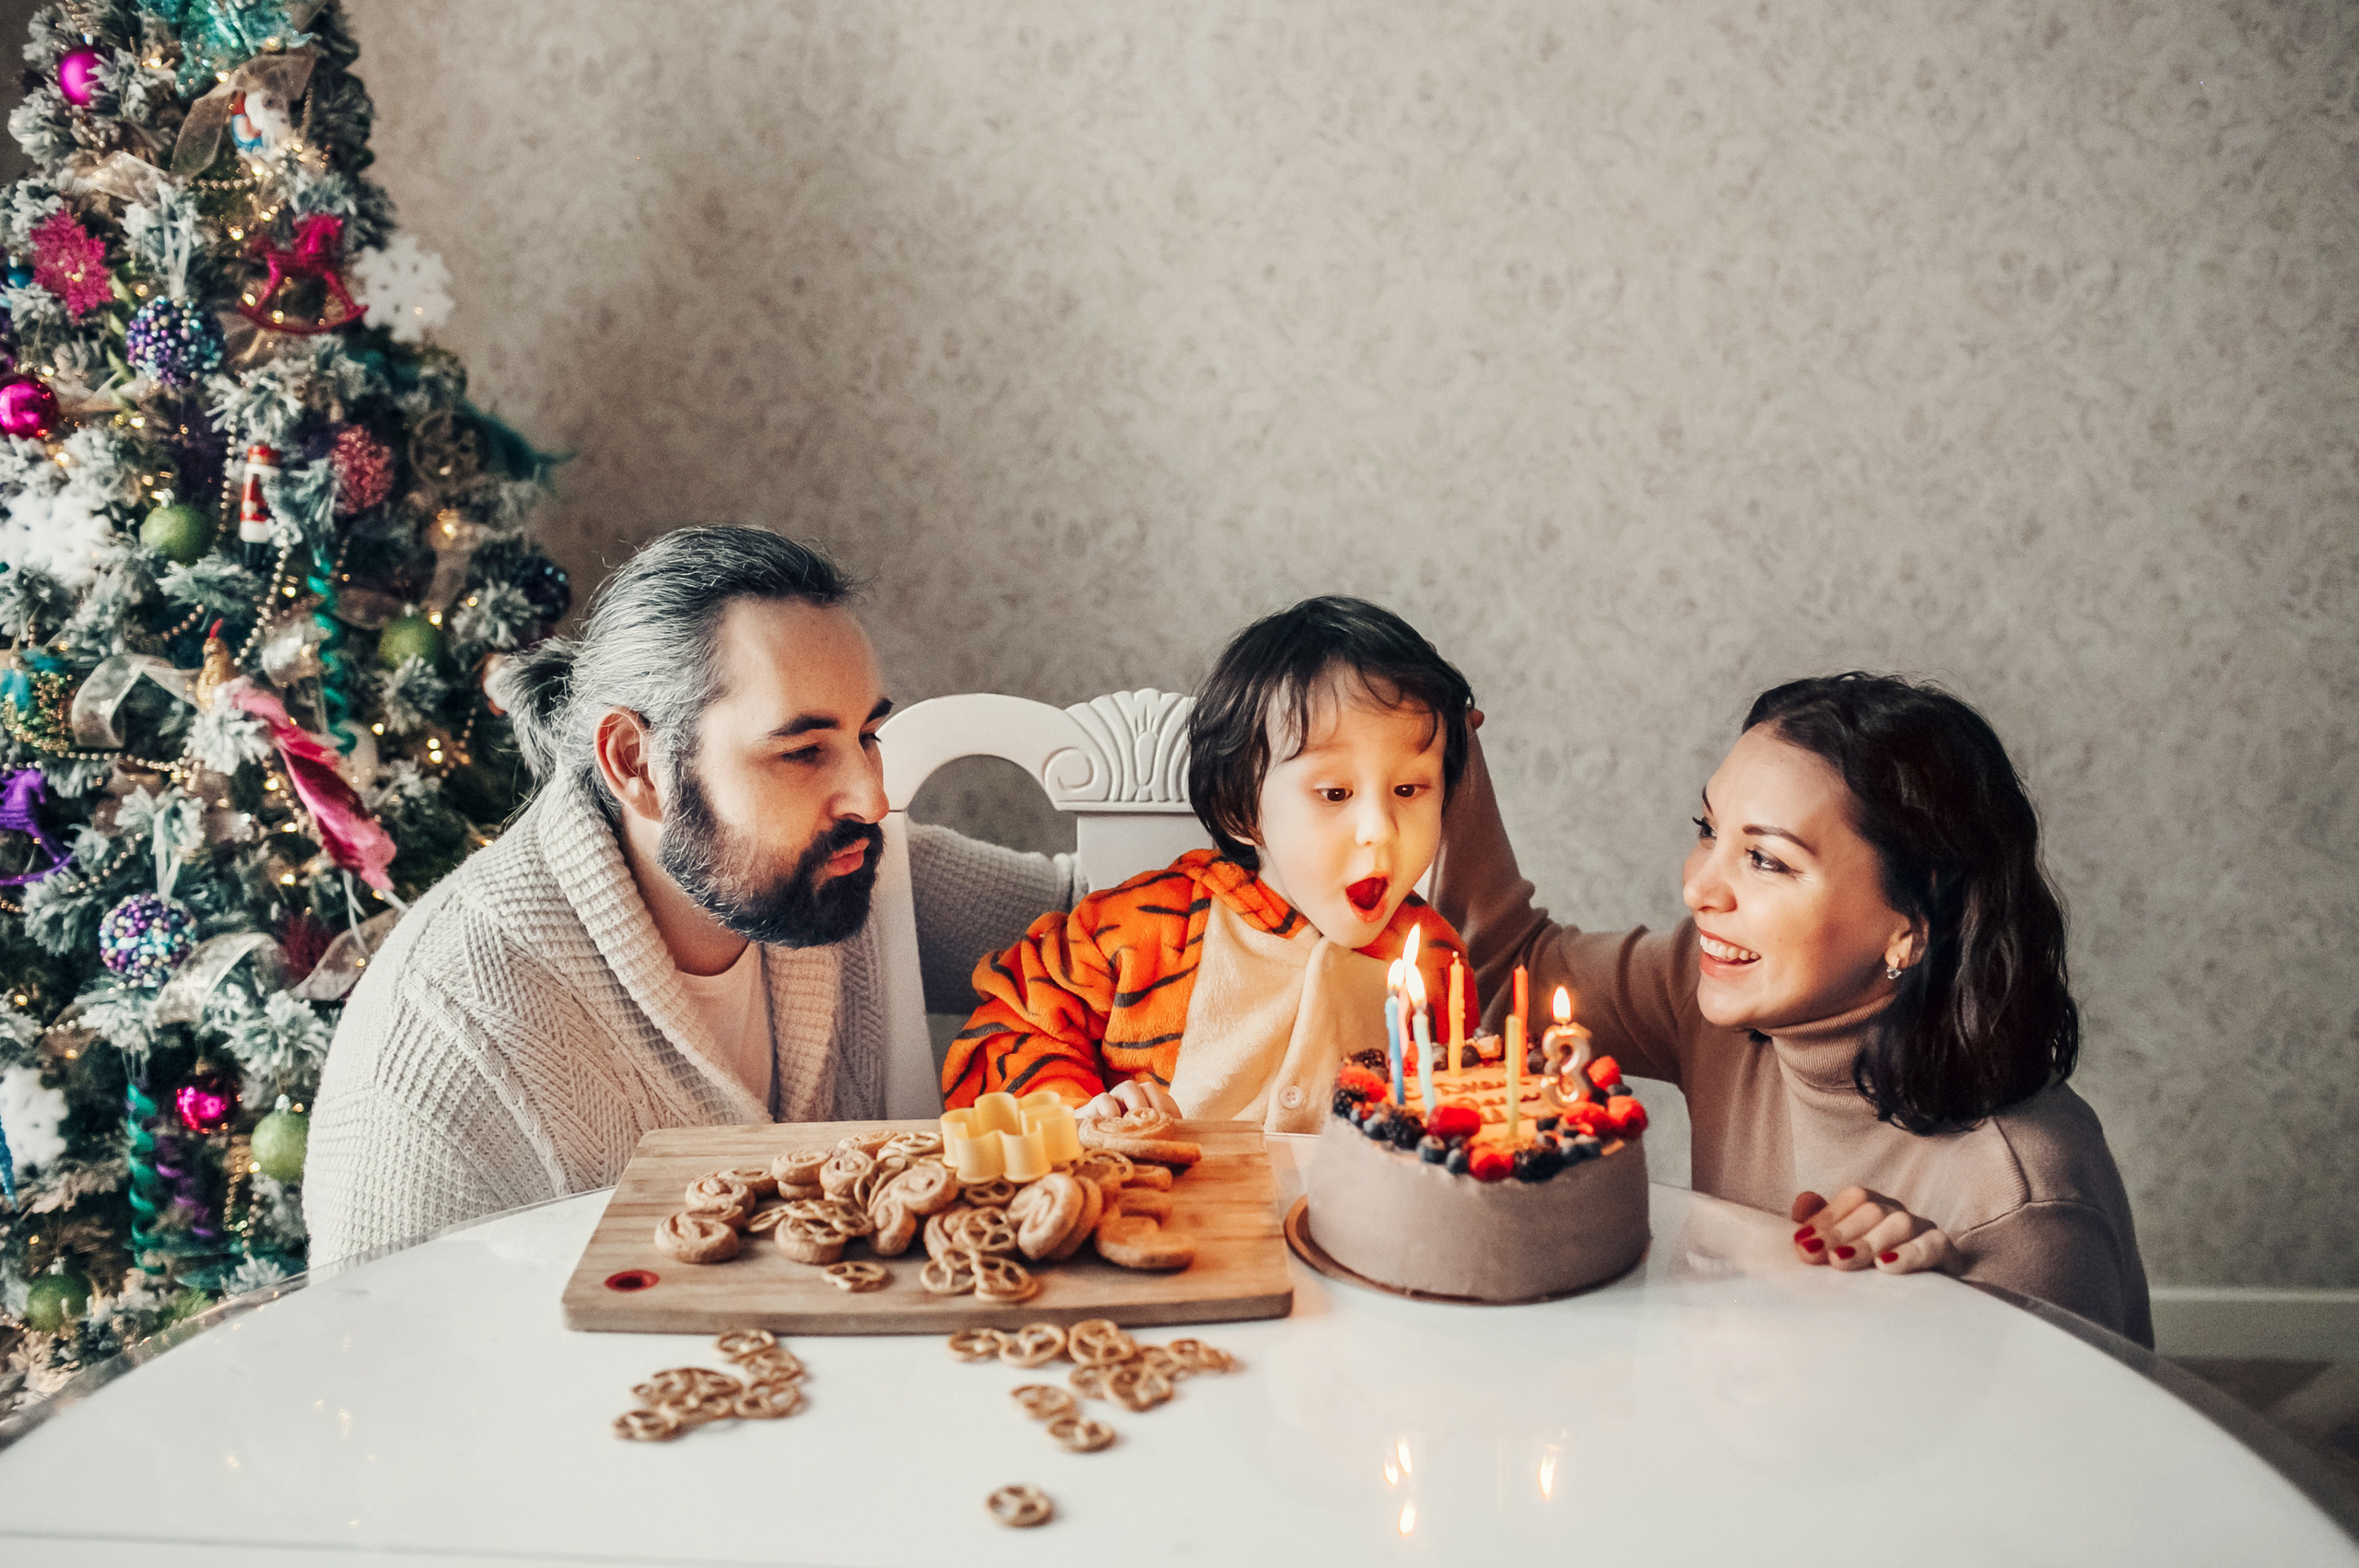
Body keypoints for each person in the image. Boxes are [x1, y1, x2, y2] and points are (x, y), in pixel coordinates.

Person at [303, 527, 1082, 1267]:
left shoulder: (842, 868)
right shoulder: (441, 1041)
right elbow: (373, 1337)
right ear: (635, 763)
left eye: (867, 737)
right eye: (803, 752)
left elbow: (1105, 923)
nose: (872, 800)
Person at [1432, 673, 2153, 1344]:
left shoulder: (2024, 1200)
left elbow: (2054, 1440)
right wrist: (1445, 745)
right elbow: (1502, 975)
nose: (1698, 889)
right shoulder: (1718, 994)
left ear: (1912, 922)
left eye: (1766, 860)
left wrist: (1926, 1317)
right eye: (1708, 830)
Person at [943, 595, 1479, 1131]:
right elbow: (1007, 1034)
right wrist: (1078, 1114)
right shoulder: (1145, 929)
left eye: (1409, 789)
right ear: (1242, 810)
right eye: (1335, 793)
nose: (1381, 828)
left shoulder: (1434, 963)